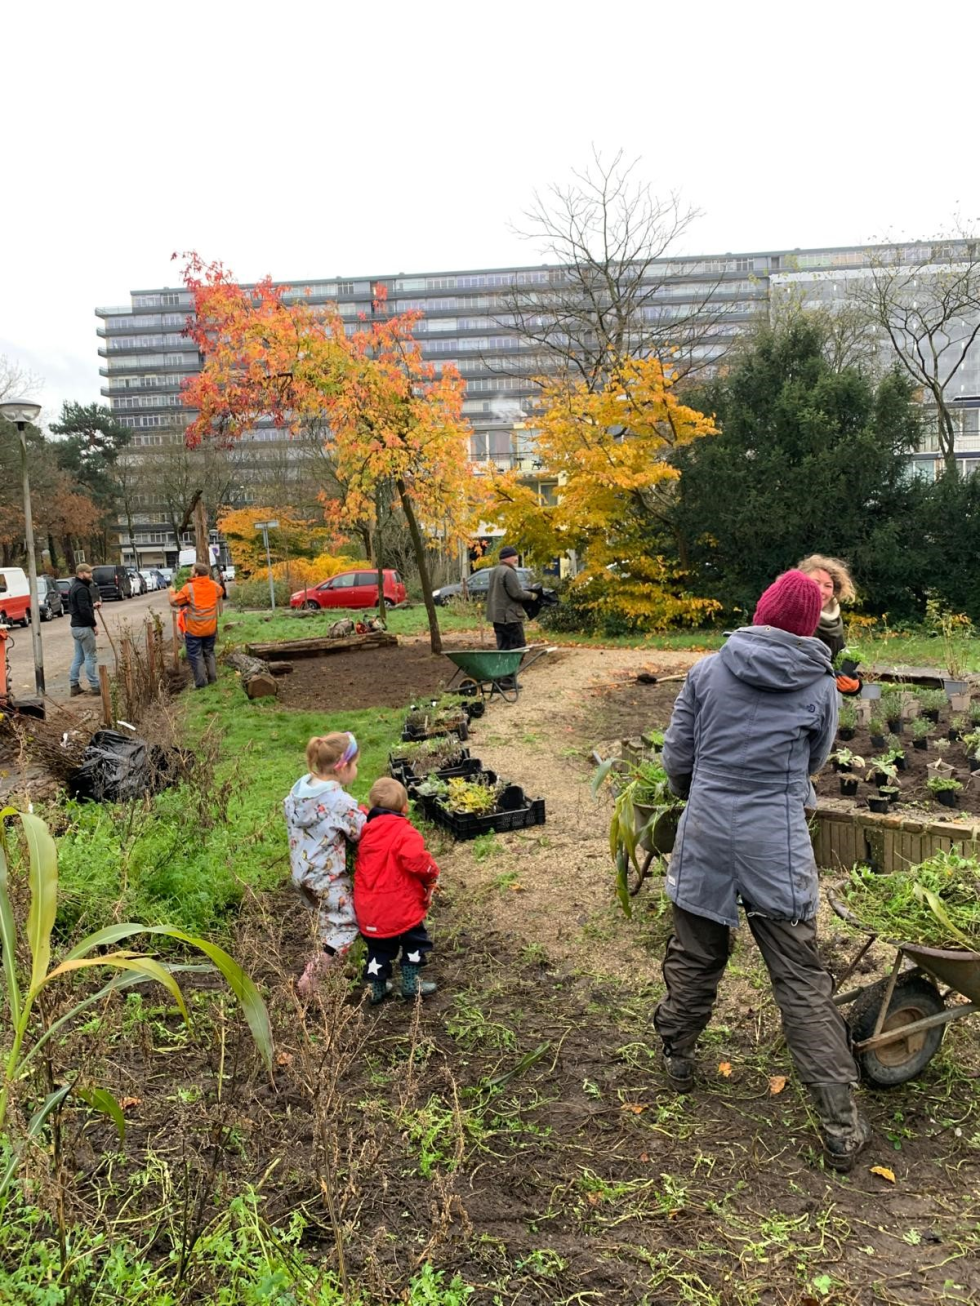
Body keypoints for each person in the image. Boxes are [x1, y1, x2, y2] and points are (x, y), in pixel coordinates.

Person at [653, 569, 871, 1172]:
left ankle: (676, 1052)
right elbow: (814, 760)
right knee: (801, 978)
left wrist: (703, 796)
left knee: (696, 952)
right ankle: (840, 1126)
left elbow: (678, 760)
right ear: (807, 626)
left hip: (706, 832)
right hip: (776, 838)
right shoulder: (821, 686)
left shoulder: (706, 670)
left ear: (761, 609)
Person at [284, 732, 366, 998]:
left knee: (329, 921)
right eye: (355, 765)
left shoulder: (299, 791)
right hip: (326, 878)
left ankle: (341, 964)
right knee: (347, 924)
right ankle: (311, 979)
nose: (356, 771)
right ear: (342, 767)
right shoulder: (338, 802)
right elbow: (360, 832)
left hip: (302, 874)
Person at [354, 776, 440, 1003]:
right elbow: (415, 860)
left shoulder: (364, 831)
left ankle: (376, 988)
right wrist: (432, 870)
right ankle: (411, 983)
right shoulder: (404, 833)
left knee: (378, 948)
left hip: (370, 909)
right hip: (401, 907)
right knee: (414, 941)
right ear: (405, 807)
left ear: (373, 807)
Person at [797, 554, 861, 695]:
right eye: (815, 582)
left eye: (828, 586)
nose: (821, 590)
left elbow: (837, 667)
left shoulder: (833, 624)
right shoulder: (787, 618)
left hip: (820, 704)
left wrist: (853, 686)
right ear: (800, 583)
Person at [169, 562, 224, 689]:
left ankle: (201, 683)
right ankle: (212, 678)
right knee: (209, 652)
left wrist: (171, 592)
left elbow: (174, 602)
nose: (190, 572)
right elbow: (220, 592)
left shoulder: (189, 588)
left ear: (197, 574)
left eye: (192, 570)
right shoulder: (214, 585)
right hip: (210, 628)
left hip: (194, 629)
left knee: (195, 655)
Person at [485, 546, 539, 652]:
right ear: (506, 557)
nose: (516, 558)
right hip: (510, 617)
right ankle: (513, 668)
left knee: (503, 648)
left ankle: (504, 668)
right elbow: (517, 593)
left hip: (497, 617)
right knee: (520, 646)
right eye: (514, 556)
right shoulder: (509, 572)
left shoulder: (494, 571)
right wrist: (532, 596)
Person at [66, 563, 102, 697]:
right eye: (88, 573)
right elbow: (84, 610)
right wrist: (94, 624)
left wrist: (92, 605)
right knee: (90, 657)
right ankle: (95, 686)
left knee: (79, 657)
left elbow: (80, 607)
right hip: (84, 628)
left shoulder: (73, 588)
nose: (90, 575)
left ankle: (74, 685)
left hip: (75, 627)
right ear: (81, 574)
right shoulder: (82, 589)